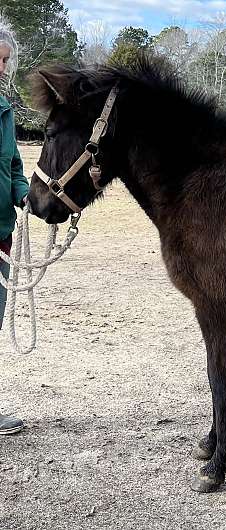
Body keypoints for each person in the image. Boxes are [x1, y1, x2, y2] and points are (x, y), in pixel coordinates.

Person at [0, 17, 29, 435]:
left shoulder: (4, 111)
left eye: (6, 61)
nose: (2, 68)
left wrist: (24, 193)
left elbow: (14, 165)